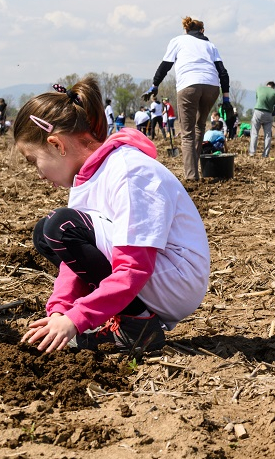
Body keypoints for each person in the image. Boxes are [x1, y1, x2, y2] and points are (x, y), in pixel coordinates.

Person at [13, 79, 210, 354]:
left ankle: (137, 325)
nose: (40, 175)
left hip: (175, 280)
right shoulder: (86, 179)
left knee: (61, 226)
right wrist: (61, 311)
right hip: (154, 276)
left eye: (34, 161)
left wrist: (77, 319)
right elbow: (75, 263)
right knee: (45, 231)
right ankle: (126, 318)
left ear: (56, 144)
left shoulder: (129, 171)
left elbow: (134, 268)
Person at [144, 16, 231, 181]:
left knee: (187, 132)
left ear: (186, 30)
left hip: (189, 86)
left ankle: (192, 176)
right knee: (199, 127)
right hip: (212, 87)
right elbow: (223, 72)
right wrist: (226, 98)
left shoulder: (177, 41)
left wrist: (155, 85)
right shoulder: (210, 45)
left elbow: (165, 66)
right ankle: (195, 168)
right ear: (202, 31)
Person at [250, 81, 275, 157]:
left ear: (267, 85)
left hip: (258, 112)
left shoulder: (259, 88)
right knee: (267, 135)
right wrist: (274, 112)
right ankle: (265, 154)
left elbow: (257, 99)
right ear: (273, 87)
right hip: (268, 114)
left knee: (254, 133)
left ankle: (252, 153)